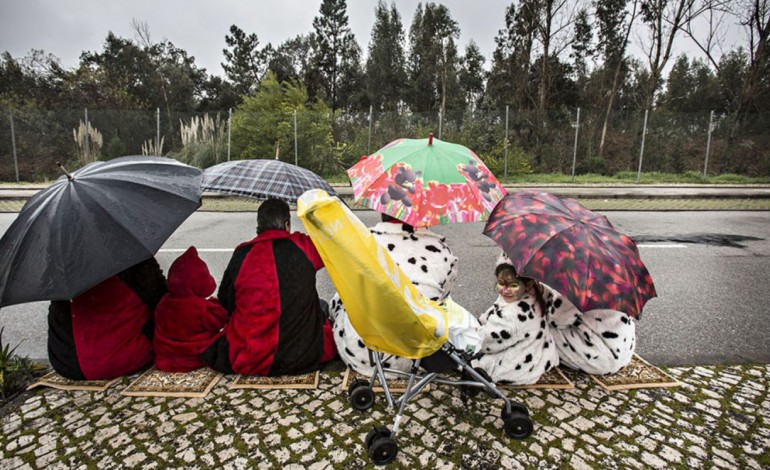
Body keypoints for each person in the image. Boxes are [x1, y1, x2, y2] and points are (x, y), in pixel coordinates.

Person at [201, 198, 336, 376]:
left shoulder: (242, 253)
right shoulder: (304, 246)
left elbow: (226, 302)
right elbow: (333, 242)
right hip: (302, 355)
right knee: (322, 307)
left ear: (259, 226)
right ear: (287, 224)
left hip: (250, 356)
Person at [329, 213, 459, 376]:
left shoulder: (362, 244)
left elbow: (344, 296)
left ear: (383, 213)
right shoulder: (443, 253)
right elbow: (443, 299)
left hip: (362, 351)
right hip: (416, 355)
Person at [47, 257, 167, 380]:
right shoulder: (129, 255)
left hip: (67, 364)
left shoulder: (60, 260)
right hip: (125, 358)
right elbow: (161, 300)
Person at [473, 253, 559, 385]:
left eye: (513, 285)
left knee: (469, 360)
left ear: (529, 284)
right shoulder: (535, 293)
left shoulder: (514, 315)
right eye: (501, 284)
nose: (506, 290)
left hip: (516, 367)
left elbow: (486, 343)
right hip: (537, 353)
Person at [153, 246, 228, 373]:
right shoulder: (200, 307)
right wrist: (215, 303)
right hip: (194, 357)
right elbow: (221, 319)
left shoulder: (164, 302)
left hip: (166, 357)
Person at [547, 290, 636, 376]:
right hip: (623, 354)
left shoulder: (583, 284)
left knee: (543, 326)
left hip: (597, 358)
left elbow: (560, 321)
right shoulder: (622, 284)